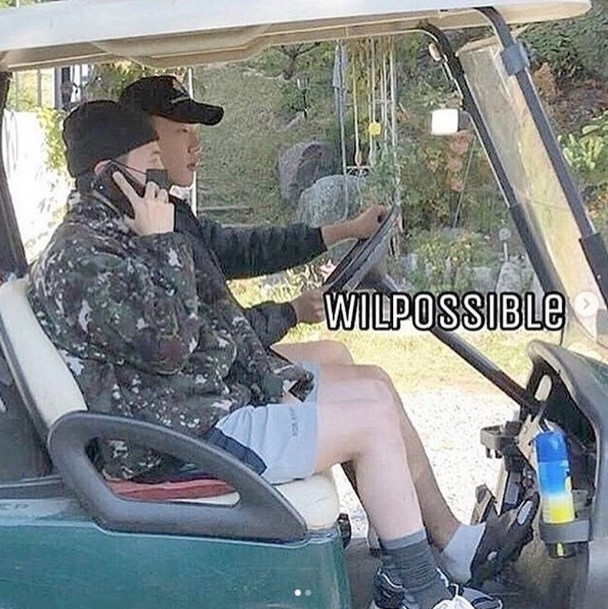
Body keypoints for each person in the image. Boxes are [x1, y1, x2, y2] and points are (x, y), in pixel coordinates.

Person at [24, 99, 519, 609]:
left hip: (199, 409)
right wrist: (163, 245)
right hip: (177, 440)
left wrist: (266, 385)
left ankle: (419, 563)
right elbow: (170, 347)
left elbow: (204, 331)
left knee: (371, 398)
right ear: (108, 175)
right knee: (371, 424)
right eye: (151, 161)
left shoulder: (120, 235)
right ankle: (423, 593)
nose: (160, 175)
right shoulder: (85, 257)